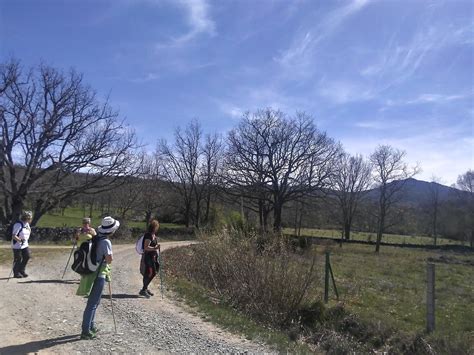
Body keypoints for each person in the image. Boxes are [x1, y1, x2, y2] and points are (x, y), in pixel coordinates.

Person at [78, 216, 119, 340]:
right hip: (99, 274)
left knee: (94, 302)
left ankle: (90, 326)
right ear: (111, 231)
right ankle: (85, 331)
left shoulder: (96, 237)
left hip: (93, 271)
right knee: (93, 303)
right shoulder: (106, 241)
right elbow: (109, 260)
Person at [139, 219, 160, 298]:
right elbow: (146, 247)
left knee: (152, 272)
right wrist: (155, 248)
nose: (157, 228)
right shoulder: (148, 235)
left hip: (153, 257)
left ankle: (145, 288)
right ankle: (143, 289)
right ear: (154, 227)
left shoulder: (153, 235)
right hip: (148, 257)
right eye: (156, 226)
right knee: (150, 272)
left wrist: (155, 248)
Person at [11, 211, 33, 278]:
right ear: (27, 218)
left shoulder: (27, 224)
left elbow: (27, 232)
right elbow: (13, 236)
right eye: (30, 218)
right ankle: (16, 272)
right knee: (18, 258)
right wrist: (20, 240)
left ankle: (21, 270)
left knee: (27, 256)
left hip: (25, 244)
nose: (30, 219)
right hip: (17, 245)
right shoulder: (18, 224)